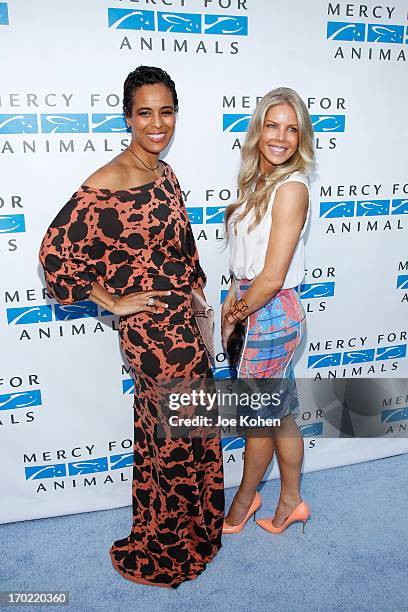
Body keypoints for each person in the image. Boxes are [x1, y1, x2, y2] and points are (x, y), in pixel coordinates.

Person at [39, 65, 224, 588]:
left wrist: (194, 294)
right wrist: (113, 302)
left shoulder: (166, 174)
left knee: (190, 432)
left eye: (166, 112)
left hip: (185, 331)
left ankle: (196, 533)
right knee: (169, 441)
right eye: (145, 112)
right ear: (128, 117)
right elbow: (56, 257)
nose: (157, 123)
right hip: (154, 342)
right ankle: (166, 550)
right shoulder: (107, 183)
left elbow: (181, 250)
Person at [221, 87, 315, 535]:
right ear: (259, 130)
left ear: (302, 136)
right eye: (272, 125)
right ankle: (292, 500)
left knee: (258, 420)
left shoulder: (292, 188)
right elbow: (242, 258)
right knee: (280, 414)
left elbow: (272, 277)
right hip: (254, 304)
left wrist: (235, 314)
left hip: (269, 313)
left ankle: (244, 499)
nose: (280, 137)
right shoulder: (258, 181)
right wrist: (230, 301)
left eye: (291, 128)